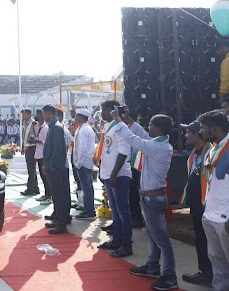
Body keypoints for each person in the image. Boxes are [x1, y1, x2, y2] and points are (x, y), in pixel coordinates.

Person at [112, 107, 178, 289]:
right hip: (150, 197)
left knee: (162, 240)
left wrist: (118, 120)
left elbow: (134, 139)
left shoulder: (158, 146)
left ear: (157, 128)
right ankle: (152, 266)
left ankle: (170, 276)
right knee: (153, 235)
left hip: (153, 198)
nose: (148, 127)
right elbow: (140, 133)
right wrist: (129, 119)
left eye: (150, 125)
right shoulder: (158, 142)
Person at [96, 100, 134, 258]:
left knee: (123, 211)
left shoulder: (120, 127)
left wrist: (113, 174)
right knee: (116, 211)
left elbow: (124, 152)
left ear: (114, 111)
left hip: (119, 176)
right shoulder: (108, 127)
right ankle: (117, 239)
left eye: (105, 110)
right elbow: (107, 151)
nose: (102, 113)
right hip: (108, 175)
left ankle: (127, 244)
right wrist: (103, 171)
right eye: (102, 110)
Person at [179, 120, 213, 286]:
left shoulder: (211, 151)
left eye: (188, 132)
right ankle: (205, 272)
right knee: (200, 238)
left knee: (208, 240)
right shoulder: (194, 153)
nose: (186, 136)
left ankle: (209, 274)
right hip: (197, 205)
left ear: (198, 134)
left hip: (208, 205)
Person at [198, 109, 229, 291]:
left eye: (203, 128)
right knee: (217, 261)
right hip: (210, 215)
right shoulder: (214, 148)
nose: (201, 131)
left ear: (215, 128)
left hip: (225, 218)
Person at [42, 105, 71, 234]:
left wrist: (51, 165)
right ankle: (58, 219)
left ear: (49, 113)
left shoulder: (57, 128)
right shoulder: (53, 127)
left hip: (55, 167)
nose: (43, 117)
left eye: (44, 114)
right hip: (53, 166)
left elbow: (58, 149)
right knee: (57, 195)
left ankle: (61, 223)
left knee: (59, 196)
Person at [73, 108, 97, 220]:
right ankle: (89, 209)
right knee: (87, 187)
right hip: (86, 162)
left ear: (81, 118)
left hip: (83, 163)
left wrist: (78, 163)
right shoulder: (85, 128)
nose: (75, 117)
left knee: (86, 188)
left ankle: (89, 211)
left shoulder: (83, 130)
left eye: (77, 116)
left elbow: (82, 149)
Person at [33, 112, 51, 205]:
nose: (37, 118)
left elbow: (46, 142)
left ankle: (49, 196)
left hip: (43, 155)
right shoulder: (39, 127)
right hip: (39, 154)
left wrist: (37, 140)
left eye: (38, 117)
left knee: (45, 177)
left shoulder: (45, 128)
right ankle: (46, 194)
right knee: (42, 176)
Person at [20, 109, 38, 195]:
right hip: (27, 148)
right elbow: (24, 137)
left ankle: (30, 188)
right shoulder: (25, 124)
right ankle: (35, 187)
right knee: (31, 169)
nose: (23, 116)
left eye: (24, 115)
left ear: (30, 115)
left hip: (32, 148)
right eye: (22, 115)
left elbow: (37, 135)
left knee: (31, 169)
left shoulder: (34, 124)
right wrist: (23, 147)